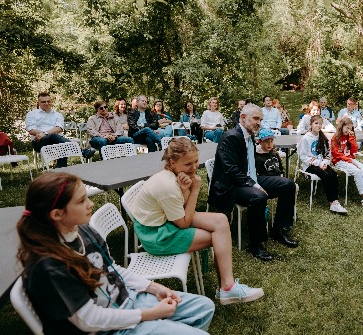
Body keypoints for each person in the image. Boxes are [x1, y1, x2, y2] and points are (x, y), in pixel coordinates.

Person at [17, 172, 216, 335]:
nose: (90, 204)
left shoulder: (82, 230)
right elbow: (89, 320)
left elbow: (111, 268)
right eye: (82, 201)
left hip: (128, 300)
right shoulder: (49, 266)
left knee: (204, 308)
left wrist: (153, 287)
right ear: (57, 214)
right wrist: (149, 315)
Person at [127, 137, 265, 302]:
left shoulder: (176, 176)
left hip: (166, 221)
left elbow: (183, 206)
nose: (194, 167)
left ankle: (226, 287)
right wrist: (194, 190)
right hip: (157, 235)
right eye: (188, 164)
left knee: (221, 220)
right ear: (172, 163)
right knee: (217, 236)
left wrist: (185, 189)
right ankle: (227, 287)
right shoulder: (167, 186)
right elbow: (183, 223)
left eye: (196, 161)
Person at [207, 104, 299, 262]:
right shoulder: (231, 137)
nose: (259, 123)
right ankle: (256, 244)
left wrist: (256, 180)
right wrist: (255, 185)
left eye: (261, 120)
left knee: (288, 185)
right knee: (258, 196)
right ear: (243, 118)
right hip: (231, 185)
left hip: (249, 178)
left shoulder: (249, 136)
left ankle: (279, 230)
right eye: (256, 118)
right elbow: (231, 170)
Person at [297, 115, 348, 215]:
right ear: (311, 124)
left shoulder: (323, 138)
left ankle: (336, 201)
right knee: (325, 175)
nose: (318, 125)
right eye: (316, 123)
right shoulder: (306, 138)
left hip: (322, 163)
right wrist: (319, 163)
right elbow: (303, 157)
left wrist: (324, 163)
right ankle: (331, 203)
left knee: (333, 174)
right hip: (310, 166)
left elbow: (327, 153)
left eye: (320, 124)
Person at [330, 118, 363, 209]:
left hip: (350, 159)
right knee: (357, 171)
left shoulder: (350, 136)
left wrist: (352, 138)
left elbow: (354, 151)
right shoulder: (335, 138)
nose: (349, 130)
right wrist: (351, 161)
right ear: (341, 127)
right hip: (339, 161)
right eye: (347, 128)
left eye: (350, 128)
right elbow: (336, 154)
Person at [253, 128, 298, 227]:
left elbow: (280, 169)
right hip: (266, 184)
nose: (269, 144)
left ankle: (285, 221)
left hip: (277, 181)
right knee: (288, 185)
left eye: (271, 141)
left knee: (289, 187)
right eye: (266, 141)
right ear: (260, 142)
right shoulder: (257, 156)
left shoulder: (274, 154)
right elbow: (256, 175)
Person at [25, 92, 72, 167]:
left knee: (60, 144)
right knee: (54, 136)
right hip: (39, 142)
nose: (46, 103)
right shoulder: (32, 114)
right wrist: (46, 135)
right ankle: (81, 151)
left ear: (51, 102)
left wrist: (45, 133)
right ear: (38, 103)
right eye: (43, 102)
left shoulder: (58, 114)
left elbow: (59, 128)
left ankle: (61, 170)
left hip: (58, 141)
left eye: (48, 101)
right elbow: (31, 130)